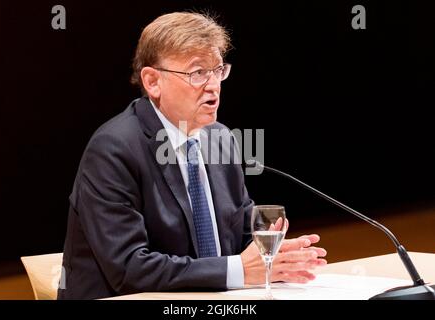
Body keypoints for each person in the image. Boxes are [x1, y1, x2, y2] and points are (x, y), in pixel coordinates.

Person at [57, 11, 327, 300]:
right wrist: (239, 270)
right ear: (152, 82)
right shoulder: (113, 149)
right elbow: (129, 269)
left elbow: (241, 237)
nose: (213, 86)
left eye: (218, 70)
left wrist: (277, 258)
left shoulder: (219, 138)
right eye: (198, 73)